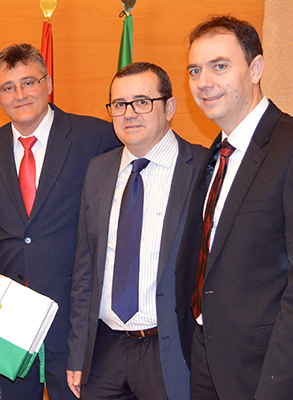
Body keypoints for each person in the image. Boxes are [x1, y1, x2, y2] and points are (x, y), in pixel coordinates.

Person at [178, 15, 293, 399]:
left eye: (219, 66)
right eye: (194, 70)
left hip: (270, 374)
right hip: (209, 362)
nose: (204, 82)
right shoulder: (216, 155)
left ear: (255, 69)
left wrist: (276, 388)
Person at [0, 43, 120, 399]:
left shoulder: (95, 137)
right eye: (8, 87)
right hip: (7, 321)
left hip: (73, 318)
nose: (20, 94)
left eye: (29, 82)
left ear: (48, 83)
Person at [66, 62, 206, 400]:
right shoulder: (98, 170)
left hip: (170, 350)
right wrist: (77, 351)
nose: (129, 113)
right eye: (119, 104)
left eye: (142, 101)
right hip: (104, 350)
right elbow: (86, 267)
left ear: (170, 107)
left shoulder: (203, 168)